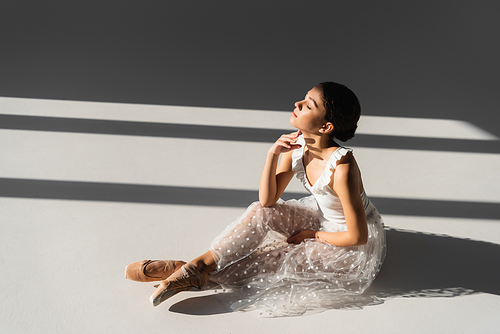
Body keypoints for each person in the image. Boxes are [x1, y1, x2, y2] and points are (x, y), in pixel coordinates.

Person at [125, 82, 386, 317]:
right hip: (322, 220)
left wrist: (311, 235)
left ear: (326, 126)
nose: (297, 104)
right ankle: (199, 265)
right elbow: (268, 200)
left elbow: (357, 236)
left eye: (308, 105)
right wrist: (272, 154)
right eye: (303, 98)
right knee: (261, 212)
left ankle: (183, 272)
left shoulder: (342, 167)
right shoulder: (297, 145)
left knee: (275, 259)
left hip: (347, 244)